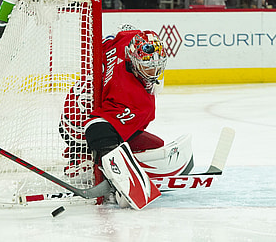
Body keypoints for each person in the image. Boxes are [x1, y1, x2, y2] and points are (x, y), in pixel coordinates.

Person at [59, 26, 193, 209]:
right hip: (77, 125)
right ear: (134, 60)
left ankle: (83, 155)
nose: (153, 72)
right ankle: (84, 161)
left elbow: (118, 34)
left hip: (77, 102)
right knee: (130, 141)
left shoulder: (127, 42)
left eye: (157, 66)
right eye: (147, 66)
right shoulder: (135, 100)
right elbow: (96, 126)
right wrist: (119, 178)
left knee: (154, 144)